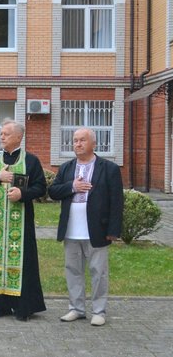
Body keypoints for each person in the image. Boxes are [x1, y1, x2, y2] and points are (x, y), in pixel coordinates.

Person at [48, 128, 123, 327]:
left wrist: (113, 230)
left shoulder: (109, 168)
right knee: (73, 270)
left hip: (97, 229)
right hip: (71, 229)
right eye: (75, 140)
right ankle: (76, 309)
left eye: (82, 140)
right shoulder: (66, 168)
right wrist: (72, 187)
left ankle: (99, 310)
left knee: (98, 271)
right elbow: (53, 192)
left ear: (93, 144)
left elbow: (116, 202)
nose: (77, 144)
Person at [0, 119, 46, 321]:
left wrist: (22, 194)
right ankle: (2, 304)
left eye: (6, 133)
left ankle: (24, 306)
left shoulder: (31, 161)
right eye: (1, 133)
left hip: (21, 224)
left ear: (18, 137)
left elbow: (41, 188)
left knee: (24, 262)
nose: (2, 136)